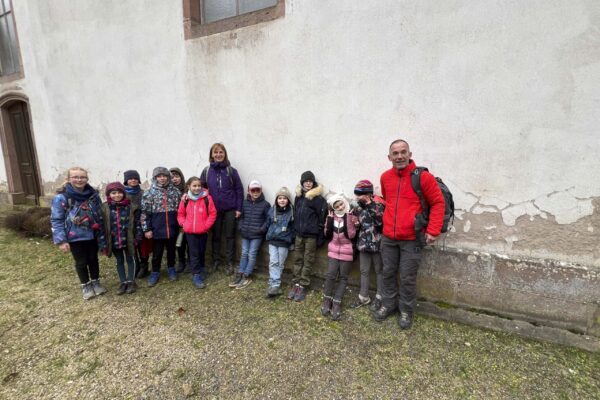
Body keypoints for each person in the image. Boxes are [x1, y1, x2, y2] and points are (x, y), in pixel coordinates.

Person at [375, 139, 445, 329]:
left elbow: (438, 203)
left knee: (407, 277)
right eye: (395, 153)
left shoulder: (423, 178)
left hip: (412, 238)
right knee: (387, 273)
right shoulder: (385, 177)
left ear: (410, 154)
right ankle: (388, 304)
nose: (399, 156)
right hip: (389, 236)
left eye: (403, 152)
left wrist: (433, 230)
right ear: (389, 157)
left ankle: (406, 310)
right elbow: (389, 201)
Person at [50, 167, 108, 300]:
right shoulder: (61, 198)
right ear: (69, 179)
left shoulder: (93, 195)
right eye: (75, 177)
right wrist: (61, 240)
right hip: (74, 237)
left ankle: (95, 281)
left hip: (92, 234)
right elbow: (56, 219)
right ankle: (86, 285)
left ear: (87, 179)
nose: (79, 180)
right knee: (81, 262)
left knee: (93, 259)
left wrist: (102, 233)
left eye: (82, 177)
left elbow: (100, 214)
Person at [200, 143, 243, 275]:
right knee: (216, 236)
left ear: (225, 154)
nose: (218, 155)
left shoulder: (231, 171)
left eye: (221, 152)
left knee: (230, 236)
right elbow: (201, 190)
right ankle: (215, 261)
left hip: (230, 209)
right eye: (216, 152)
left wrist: (238, 208)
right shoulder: (207, 171)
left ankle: (229, 262)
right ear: (211, 155)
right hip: (214, 211)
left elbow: (239, 190)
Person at [288, 171, 327, 302]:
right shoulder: (298, 197)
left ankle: (303, 284)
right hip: (299, 234)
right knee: (297, 259)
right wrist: (294, 232)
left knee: (308, 260)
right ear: (302, 182)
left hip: (311, 236)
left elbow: (322, 219)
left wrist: (320, 236)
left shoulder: (318, 199)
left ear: (313, 183)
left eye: (310, 181)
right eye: (306, 181)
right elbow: (295, 215)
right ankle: (296, 282)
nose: (308, 183)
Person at [141, 166, 181, 287]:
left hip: (172, 228)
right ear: (155, 178)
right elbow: (144, 213)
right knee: (157, 253)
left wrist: (180, 225)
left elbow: (180, 210)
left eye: (164, 176)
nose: (162, 178)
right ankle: (155, 271)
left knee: (171, 251)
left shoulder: (175, 192)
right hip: (157, 229)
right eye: (159, 176)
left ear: (168, 177)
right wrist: (146, 229)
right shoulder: (149, 193)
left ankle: (171, 268)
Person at [320, 194, 358, 321]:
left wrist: (350, 219)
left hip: (347, 250)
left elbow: (352, 235)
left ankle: (337, 302)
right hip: (333, 250)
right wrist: (329, 220)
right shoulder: (331, 217)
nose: (340, 207)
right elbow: (327, 234)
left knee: (343, 277)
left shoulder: (351, 216)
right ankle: (327, 299)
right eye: (336, 206)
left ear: (344, 203)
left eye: (341, 204)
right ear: (333, 207)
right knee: (330, 275)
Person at [349, 180, 385, 311]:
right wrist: (356, 223)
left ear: (368, 194)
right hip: (363, 243)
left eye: (360, 194)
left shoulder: (378, 206)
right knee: (364, 271)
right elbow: (360, 224)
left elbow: (378, 224)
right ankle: (363, 297)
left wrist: (365, 208)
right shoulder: (358, 207)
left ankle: (380, 297)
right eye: (356, 194)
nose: (357, 197)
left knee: (379, 271)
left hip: (377, 244)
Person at [101, 182, 142, 295]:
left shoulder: (131, 206)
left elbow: (138, 223)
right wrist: (103, 242)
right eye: (113, 193)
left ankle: (131, 281)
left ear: (124, 193)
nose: (117, 195)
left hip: (128, 239)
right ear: (109, 195)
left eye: (119, 192)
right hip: (114, 241)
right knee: (119, 260)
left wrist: (137, 237)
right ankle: (123, 282)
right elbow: (102, 226)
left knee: (130, 259)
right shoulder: (105, 208)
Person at [177, 176, 217, 289]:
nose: (197, 188)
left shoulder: (207, 199)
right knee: (194, 253)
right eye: (194, 186)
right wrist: (184, 224)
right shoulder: (185, 199)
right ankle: (196, 274)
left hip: (203, 231)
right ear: (189, 186)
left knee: (201, 251)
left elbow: (213, 214)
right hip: (190, 232)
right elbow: (180, 214)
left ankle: (202, 268)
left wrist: (206, 226)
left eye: (199, 185)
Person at [229, 180, 271, 289]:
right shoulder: (244, 203)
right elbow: (241, 217)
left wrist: (261, 229)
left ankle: (247, 275)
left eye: (258, 190)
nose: (255, 192)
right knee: (244, 253)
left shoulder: (265, 204)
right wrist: (241, 227)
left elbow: (268, 220)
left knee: (252, 254)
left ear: (261, 191)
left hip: (257, 235)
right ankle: (241, 273)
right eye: (253, 190)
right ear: (249, 191)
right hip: (245, 234)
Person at [264, 187, 295, 297]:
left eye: (285, 198)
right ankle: (275, 284)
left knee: (280, 263)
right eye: (280, 198)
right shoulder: (272, 210)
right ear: (276, 199)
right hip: (273, 241)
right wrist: (262, 231)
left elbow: (293, 229)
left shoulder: (291, 212)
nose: (282, 200)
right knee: (273, 262)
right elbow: (267, 223)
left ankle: (274, 283)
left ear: (288, 200)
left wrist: (292, 241)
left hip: (284, 242)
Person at [123, 170, 151, 279]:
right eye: (130, 179)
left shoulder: (144, 193)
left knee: (143, 246)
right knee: (132, 245)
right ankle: (136, 265)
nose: (133, 180)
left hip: (142, 223)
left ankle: (144, 266)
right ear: (126, 181)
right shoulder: (123, 194)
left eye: (135, 178)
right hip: (129, 225)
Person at [170, 167, 189, 273]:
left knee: (189, 242)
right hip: (175, 222)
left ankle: (190, 261)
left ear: (181, 177)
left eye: (177, 176)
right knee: (179, 243)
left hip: (188, 221)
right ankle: (181, 261)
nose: (174, 179)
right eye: (172, 177)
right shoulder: (168, 192)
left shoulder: (187, 190)